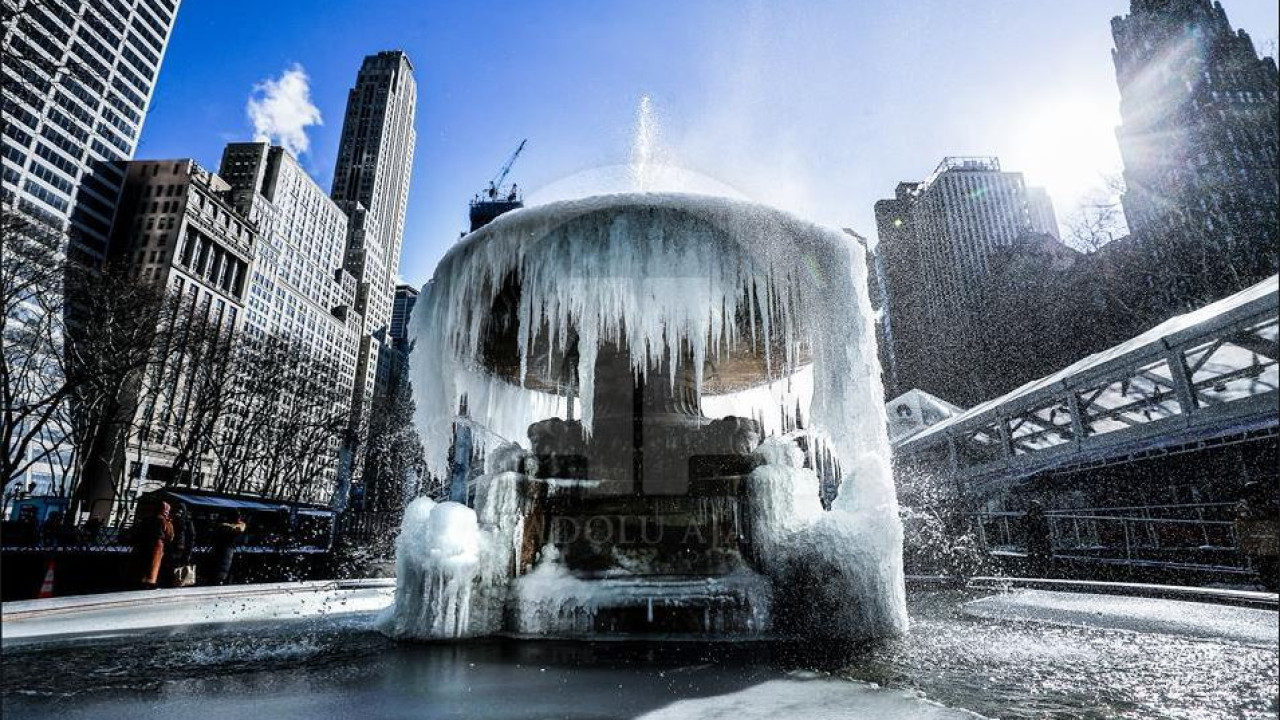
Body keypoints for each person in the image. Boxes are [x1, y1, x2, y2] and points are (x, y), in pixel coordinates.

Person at [1235, 481, 1278, 591]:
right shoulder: (1253, 504)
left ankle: (1267, 580)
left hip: (1263, 537)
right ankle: (1268, 580)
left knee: (1266, 560)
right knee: (1266, 559)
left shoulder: (1252, 504)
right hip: (1263, 537)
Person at [131, 502, 174, 589]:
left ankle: (139, 580)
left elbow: (138, 531)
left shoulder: (147, 519)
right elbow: (170, 535)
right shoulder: (164, 520)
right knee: (154, 564)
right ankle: (150, 582)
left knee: (143, 562)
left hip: (144, 542)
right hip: (157, 545)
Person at [210, 514, 247, 586]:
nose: (240, 519)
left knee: (225, 564)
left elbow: (240, 528)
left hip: (228, 547)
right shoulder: (227, 526)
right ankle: (221, 580)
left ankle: (222, 579)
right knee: (224, 563)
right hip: (227, 547)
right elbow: (238, 529)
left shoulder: (227, 526)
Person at [165, 504, 197, 587]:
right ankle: (170, 581)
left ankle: (178, 582)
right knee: (170, 565)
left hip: (181, 548)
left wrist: (188, 553)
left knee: (178, 566)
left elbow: (191, 537)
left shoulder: (187, 521)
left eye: (180, 510)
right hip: (171, 546)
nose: (178, 512)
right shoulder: (172, 520)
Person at [1022, 501, 1053, 576]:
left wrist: (1047, 534)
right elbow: (1026, 526)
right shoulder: (1030, 517)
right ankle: (1037, 570)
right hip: (1036, 538)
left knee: (1041, 554)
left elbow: (1045, 527)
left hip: (1040, 538)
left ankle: (1041, 570)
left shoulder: (1040, 517)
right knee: (1035, 554)